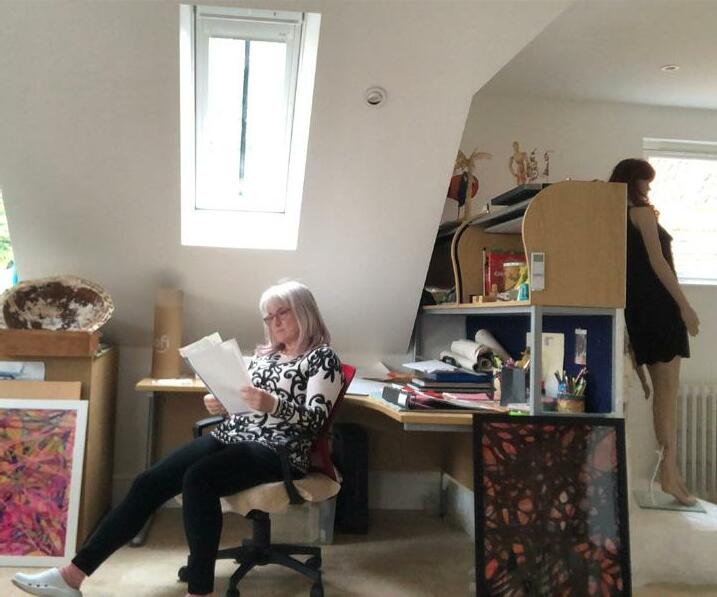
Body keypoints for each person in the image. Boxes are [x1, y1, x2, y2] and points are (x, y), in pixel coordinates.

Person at [13, 280, 343, 597]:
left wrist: (273, 404)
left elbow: (315, 421)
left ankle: (200, 590)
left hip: (277, 449)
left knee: (199, 479)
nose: (275, 322)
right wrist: (222, 402)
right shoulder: (265, 356)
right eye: (268, 317)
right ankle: (70, 576)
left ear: (304, 311)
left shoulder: (322, 359)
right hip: (234, 435)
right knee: (149, 481)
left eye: (282, 312)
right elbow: (245, 403)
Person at [609, 158, 700, 506]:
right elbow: (659, 262)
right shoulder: (642, 215)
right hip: (660, 310)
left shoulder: (614, 218)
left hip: (639, 312)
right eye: (645, 180)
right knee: (667, 395)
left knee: (662, 395)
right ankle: (670, 475)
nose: (648, 187)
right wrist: (684, 306)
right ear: (633, 181)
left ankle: (670, 473)